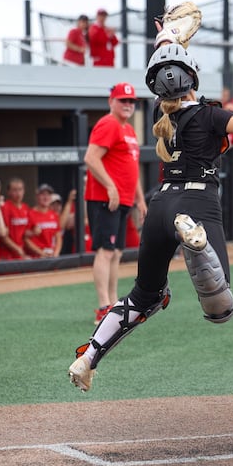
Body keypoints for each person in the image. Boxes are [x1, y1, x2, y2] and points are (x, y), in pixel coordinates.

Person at [68, 14, 233, 392]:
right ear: (193, 77)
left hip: (160, 206)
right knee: (221, 310)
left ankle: (89, 356)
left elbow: (169, 78)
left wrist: (168, 38)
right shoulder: (209, 115)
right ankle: (196, 246)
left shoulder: (160, 115)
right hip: (198, 201)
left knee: (144, 296)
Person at [83, 82, 148, 325]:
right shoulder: (109, 123)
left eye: (131, 101)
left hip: (122, 199)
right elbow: (91, 158)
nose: (128, 105)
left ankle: (112, 303)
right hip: (105, 199)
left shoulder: (129, 129)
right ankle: (103, 305)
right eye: (123, 100)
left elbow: (132, 169)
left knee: (116, 252)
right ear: (111, 102)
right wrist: (110, 186)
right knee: (106, 251)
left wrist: (140, 199)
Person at [25, 184, 63, 258]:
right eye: (43, 194)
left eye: (48, 195)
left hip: (52, 254)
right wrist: (41, 253)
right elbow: (26, 239)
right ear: (37, 196)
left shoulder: (53, 215)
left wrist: (56, 253)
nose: (46, 197)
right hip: (36, 256)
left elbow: (58, 236)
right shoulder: (30, 213)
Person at [0, 177, 31, 260]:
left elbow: (26, 232)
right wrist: (18, 249)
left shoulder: (26, 208)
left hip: (21, 252)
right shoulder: (5, 207)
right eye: (15, 190)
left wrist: (33, 231)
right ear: (9, 192)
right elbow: (3, 236)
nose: (18, 193)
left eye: (20, 190)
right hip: (7, 253)